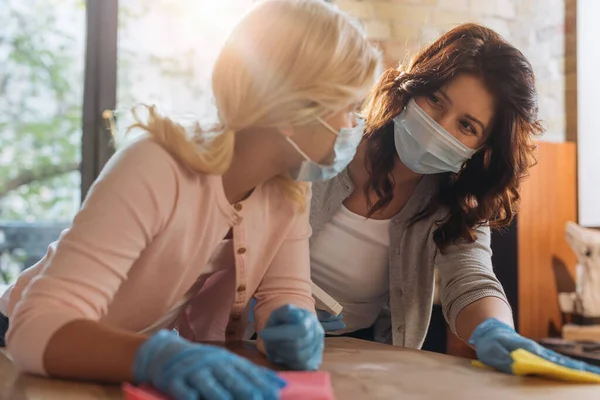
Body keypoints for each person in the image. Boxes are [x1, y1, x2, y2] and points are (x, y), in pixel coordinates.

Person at [0, 1, 381, 399]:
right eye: (350, 108)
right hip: (27, 349)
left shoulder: (287, 188)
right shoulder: (155, 165)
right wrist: (155, 356)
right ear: (291, 110)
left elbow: (285, 292)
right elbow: (35, 328)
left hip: (114, 364)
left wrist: (293, 325)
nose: (355, 127)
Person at [310, 23, 600, 376]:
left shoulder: (457, 203)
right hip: (243, 337)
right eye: (435, 100)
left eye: (467, 126)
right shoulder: (325, 143)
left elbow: (471, 278)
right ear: (414, 87)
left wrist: (496, 331)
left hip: (351, 359)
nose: (439, 127)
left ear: (483, 149)